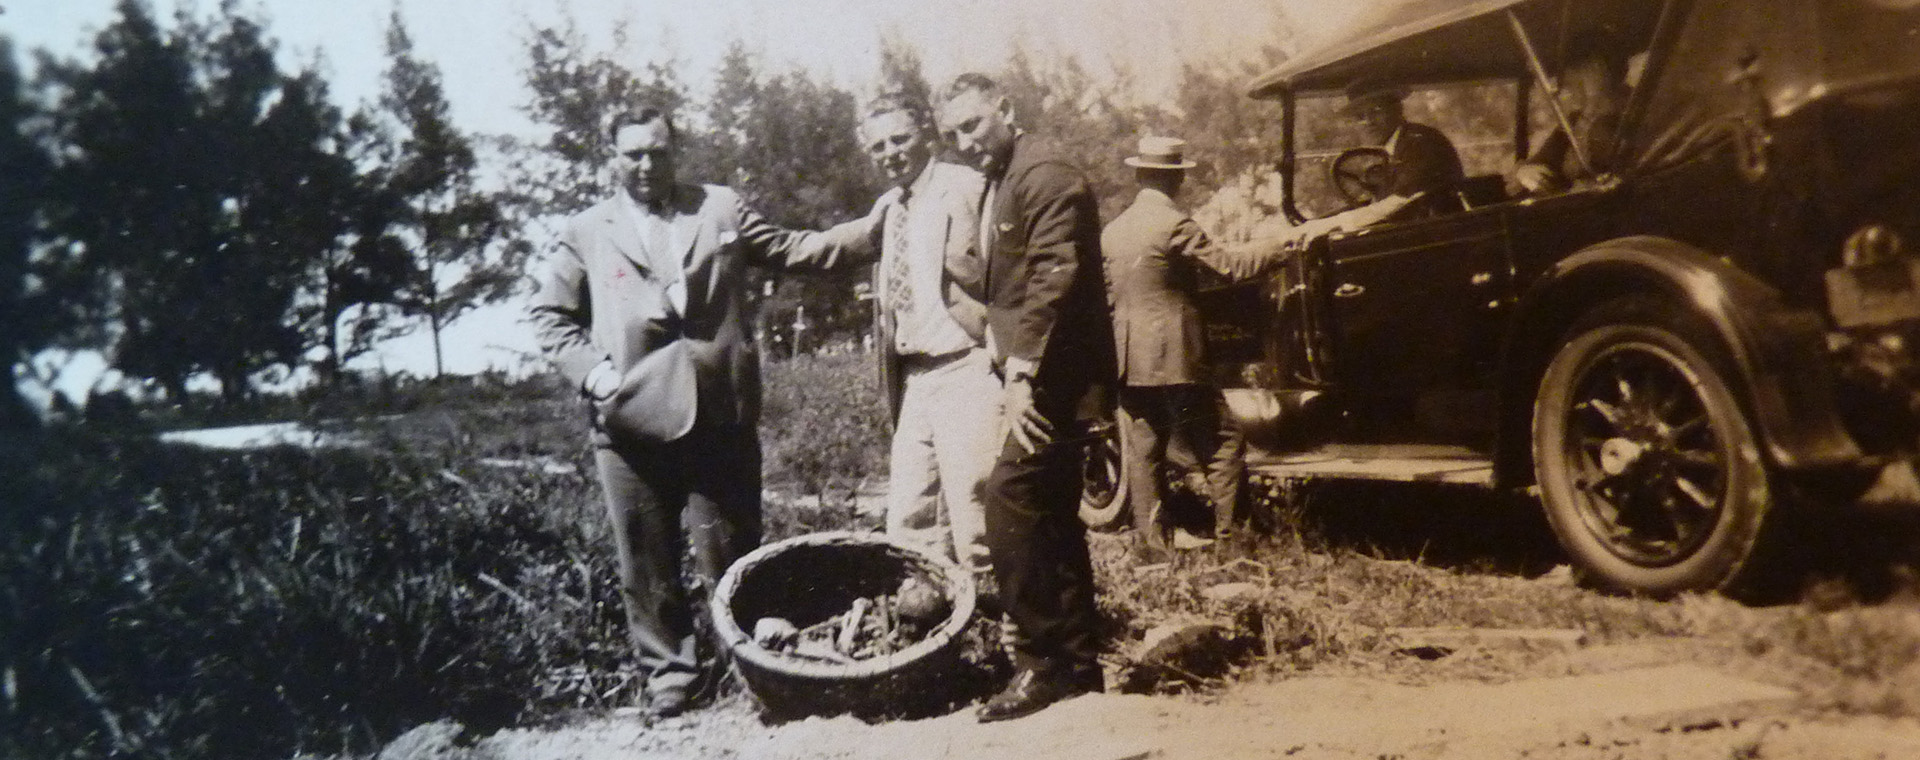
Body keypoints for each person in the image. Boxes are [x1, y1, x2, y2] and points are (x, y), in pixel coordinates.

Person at [526, 104, 879, 718]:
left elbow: (794, 248)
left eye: (657, 152)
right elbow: (549, 317)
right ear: (612, 158)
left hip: (720, 413)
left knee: (735, 551)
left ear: (675, 152)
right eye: (633, 153)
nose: (646, 164)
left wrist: (873, 231)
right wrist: (598, 377)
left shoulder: (719, 208)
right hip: (629, 422)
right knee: (647, 557)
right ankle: (671, 676)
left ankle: (753, 668)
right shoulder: (586, 230)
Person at [937, 73, 1117, 723]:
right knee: (1050, 513)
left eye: (973, 125)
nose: (965, 142)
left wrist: (1021, 374)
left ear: (1006, 109)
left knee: (1009, 501)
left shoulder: (1043, 174)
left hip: (1052, 379)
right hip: (1045, 374)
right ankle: (1078, 666)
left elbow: (1054, 275)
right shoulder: (1006, 177)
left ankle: (1041, 664)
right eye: (952, 134)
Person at [1102, 136, 1279, 557]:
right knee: (1224, 442)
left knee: (1145, 452)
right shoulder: (1174, 224)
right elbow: (1230, 267)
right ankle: (1234, 544)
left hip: (1130, 360)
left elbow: (1110, 297)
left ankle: (1154, 549)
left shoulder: (1112, 231)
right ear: (1175, 179)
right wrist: (1279, 249)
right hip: (1176, 359)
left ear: (1140, 176)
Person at [855, 92, 1000, 577]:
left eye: (900, 139)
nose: (891, 153)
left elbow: (1004, 274)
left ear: (926, 135)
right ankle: (936, 616)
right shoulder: (890, 207)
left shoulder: (966, 186)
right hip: (914, 378)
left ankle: (1000, 616)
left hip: (965, 366)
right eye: (879, 146)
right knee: (911, 521)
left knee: (977, 517)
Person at [1291, 80, 1465, 242]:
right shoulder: (1396, 148)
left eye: (1376, 111)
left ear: (1397, 109)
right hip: (1418, 235)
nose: (1368, 122)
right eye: (1360, 116)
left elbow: (1400, 203)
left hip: (1441, 239)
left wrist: (1332, 224)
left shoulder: (1420, 142)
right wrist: (1317, 225)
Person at [1508, 45, 1630, 195]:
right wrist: (1524, 171)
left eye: (1584, 69)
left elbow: (1630, 177)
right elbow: (1542, 160)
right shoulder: (1574, 121)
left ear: (1605, 72)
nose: (1569, 81)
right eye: (1573, 70)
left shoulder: (1634, 115)